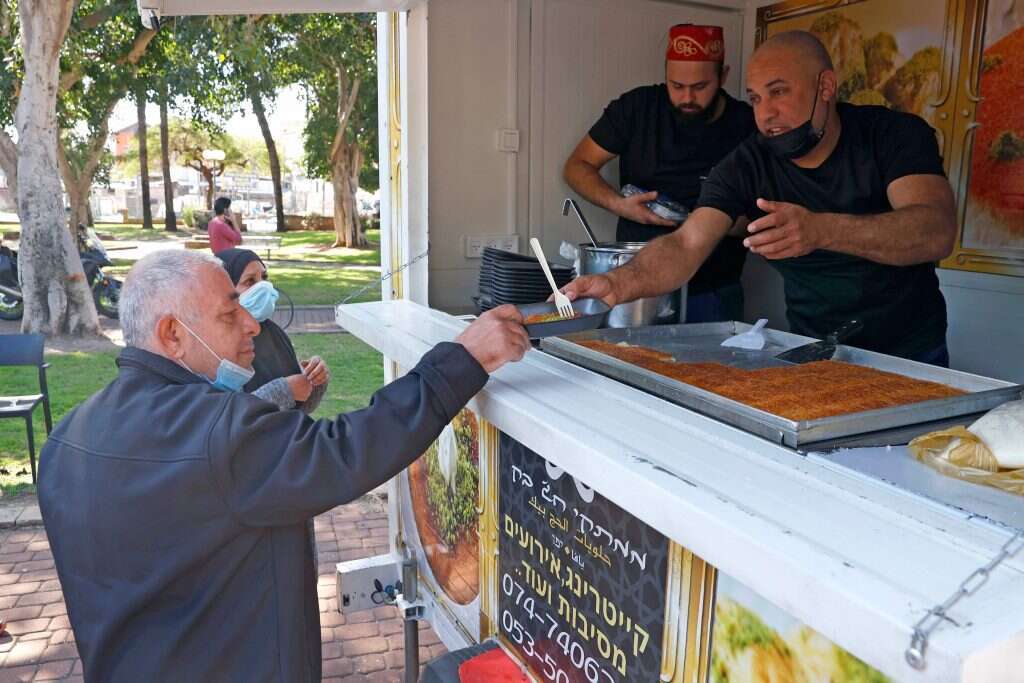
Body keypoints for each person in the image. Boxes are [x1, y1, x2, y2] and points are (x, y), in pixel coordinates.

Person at [37, 249, 529, 681]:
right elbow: (347, 450)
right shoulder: (217, 430)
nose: (252, 324)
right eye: (232, 312)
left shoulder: (66, 437)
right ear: (173, 334)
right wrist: (464, 359)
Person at [563, 31, 957, 365]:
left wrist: (821, 229)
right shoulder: (749, 162)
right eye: (754, 99)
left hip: (912, 350)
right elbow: (686, 243)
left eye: (779, 92)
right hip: (816, 348)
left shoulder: (893, 135)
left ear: (826, 87)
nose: (766, 114)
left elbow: (935, 230)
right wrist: (618, 283)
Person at [564, 23, 757, 323]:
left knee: (713, 370)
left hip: (714, 290)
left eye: (700, 87)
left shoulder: (747, 124)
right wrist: (620, 205)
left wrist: (722, 222)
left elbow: (766, 213)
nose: (686, 98)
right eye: (676, 86)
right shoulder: (637, 108)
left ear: (724, 76)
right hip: (638, 290)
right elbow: (577, 166)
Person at [216, 248, 328, 411]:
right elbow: (227, 419)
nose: (263, 287)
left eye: (264, 277)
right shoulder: (213, 344)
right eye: (250, 281)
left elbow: (301, 408)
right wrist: (285, 390)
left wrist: (315, 379)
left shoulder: (273, 332)